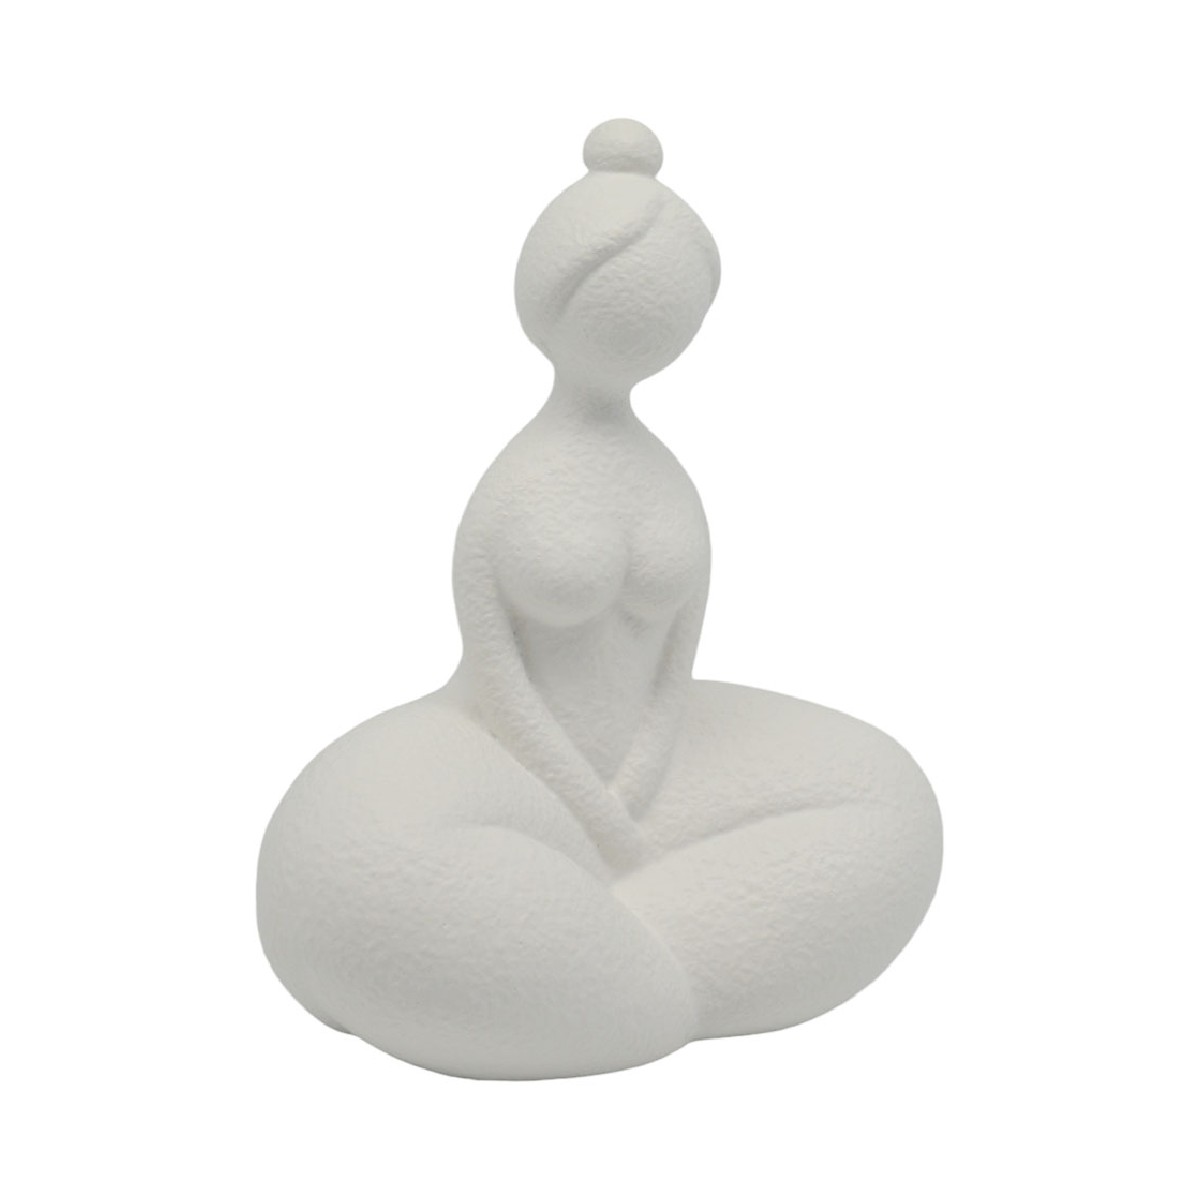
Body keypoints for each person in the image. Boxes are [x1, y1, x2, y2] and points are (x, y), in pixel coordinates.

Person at [257, 119, 943, 1079]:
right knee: (363, 852)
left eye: (677, 296)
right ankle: (598, 961)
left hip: (644, 780)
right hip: (511, 757)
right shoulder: (519, 485)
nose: (651, 316)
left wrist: (636, 789)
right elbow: (495, 673)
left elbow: (674, 664)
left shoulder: (663, 478)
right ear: (548, 301)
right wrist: (589, 807)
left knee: (886, 798)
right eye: (618, 285)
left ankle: (600, 964)